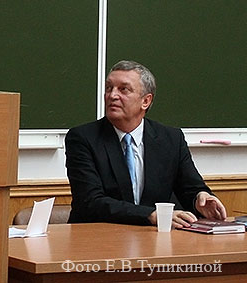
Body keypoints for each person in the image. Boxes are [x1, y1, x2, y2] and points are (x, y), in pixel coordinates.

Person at [65, 60, 226, 228]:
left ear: (146, 101)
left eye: (123, 89)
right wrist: (150, 215)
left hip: (153, 237)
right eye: (108, 88)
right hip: (97, 236)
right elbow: (90, 201)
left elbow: (191, 187)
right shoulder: (82, 138)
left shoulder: (171, 139)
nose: (112, 95)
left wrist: (201, 197)